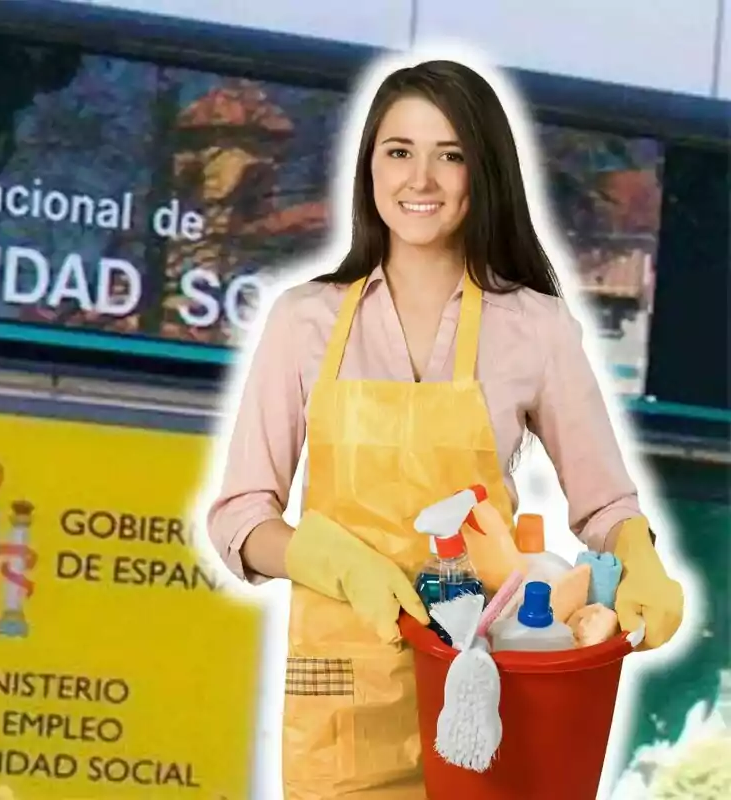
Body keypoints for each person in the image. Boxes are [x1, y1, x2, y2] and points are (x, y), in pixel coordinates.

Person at [206, 59, 686, 799]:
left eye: (450, 154)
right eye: (399, 151)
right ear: (369, 166)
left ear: (483, 172)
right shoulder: (304, 321)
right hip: (342, 691)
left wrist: (640, 560)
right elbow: (240, 517)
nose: (419, 179)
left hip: (482, 690)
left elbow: (604, 507)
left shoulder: (535, 328)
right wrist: (326, 557)